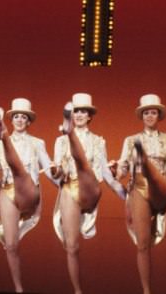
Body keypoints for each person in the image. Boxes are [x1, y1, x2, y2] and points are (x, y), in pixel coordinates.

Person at [51, 92, 125, 294]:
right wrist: (57, 171)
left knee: (84, 167)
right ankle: (77, 290)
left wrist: (124, 195)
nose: (79, 114)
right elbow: (58, 176)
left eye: (83, 111)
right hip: (70, 188)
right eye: (75, 112)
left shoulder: (98, 141)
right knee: (72, 247)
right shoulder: (59, 142)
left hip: (90, 187)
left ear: (89, 115)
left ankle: (71, 134)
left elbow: (105, 175)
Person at [0, 98, 53, 293]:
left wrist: (61, 178)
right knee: (11, 245)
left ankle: (2, 132)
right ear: (12, 119)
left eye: (23, 117)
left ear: (28, 121)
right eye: (16, 116)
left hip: (28, 190)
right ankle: (18, 288)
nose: (19, 120)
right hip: (8, 191)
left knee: (19, 172)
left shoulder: (37, 143)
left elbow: (49, 169)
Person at [117, 94, 166, 294]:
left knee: (156, 177)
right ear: (141, 116)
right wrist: (115, 171)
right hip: (139, 188)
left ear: (159, 116)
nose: (150, 116)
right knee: (142, 244)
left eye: (153, 113)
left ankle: (145, 162)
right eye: (146, 113)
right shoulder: (131, 140)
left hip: (161, 187)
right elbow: (123, 169)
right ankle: (146, 290)